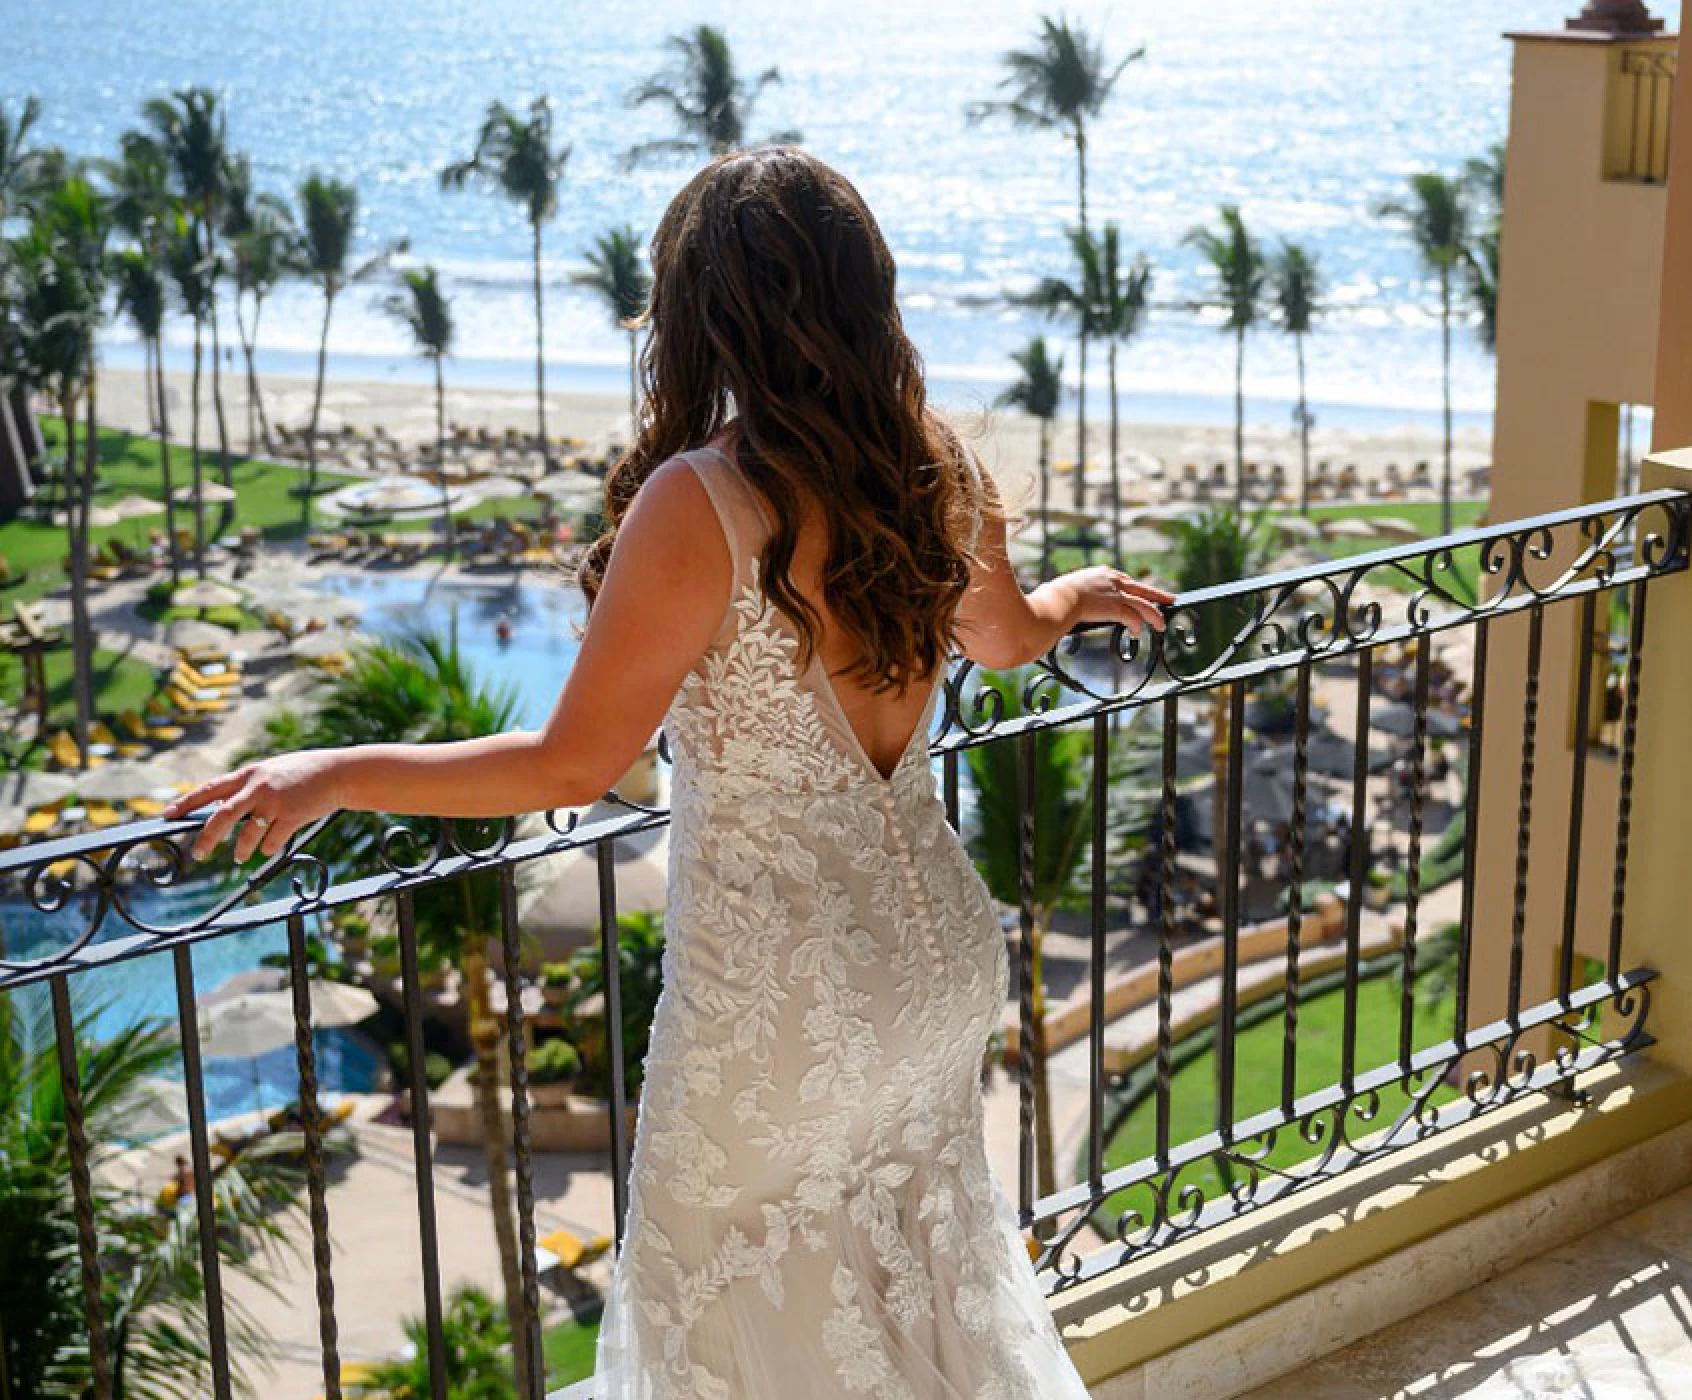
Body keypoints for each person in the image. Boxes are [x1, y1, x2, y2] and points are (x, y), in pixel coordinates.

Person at [163, 146, 1172, 1398]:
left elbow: (572, 763)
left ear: (702, 314)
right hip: (935, 963)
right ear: (867, 291)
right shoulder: (940, 469)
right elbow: (1008, 638)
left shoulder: (700, 505)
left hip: (783, 997)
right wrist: (1075, 596)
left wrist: (332, 771)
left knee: (730, 1323)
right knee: (924, 1305)